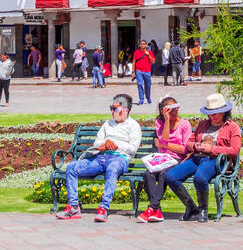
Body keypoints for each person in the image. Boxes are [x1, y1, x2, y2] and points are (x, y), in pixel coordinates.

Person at [55, 94, 142, 222]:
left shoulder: (133, 126)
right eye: (111, 108)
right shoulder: (107, 124)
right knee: (72, 167)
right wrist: (104, 144)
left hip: (120, 159)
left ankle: (104, 208)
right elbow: (97, 143)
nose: (112, 111)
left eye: (115, 108)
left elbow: (133, 149)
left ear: (125, 110)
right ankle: (73, 206)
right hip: (100, 158)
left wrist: (114, 145)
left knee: (112, 168)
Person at [164, 92, 241, 222]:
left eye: (215, 113)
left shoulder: (232, 127)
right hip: (196, 157)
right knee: (171, 176)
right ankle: (190, 206)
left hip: (216, 160)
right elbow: (188, 143)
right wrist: (196, 146)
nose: (212, 116)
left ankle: (203, 209)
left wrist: (211, 148)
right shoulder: (203, 124)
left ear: (224, 112)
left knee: (200, 178)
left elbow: (234, 150)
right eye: (210, 113)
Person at [139, 96, 192, 222]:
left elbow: (185, 150)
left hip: (177, 159)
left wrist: (165, 146)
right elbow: (164, 139)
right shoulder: (160, 122)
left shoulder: (185, 125)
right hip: (162, 158)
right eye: (170, 109)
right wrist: (167, 120)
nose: (174, 111)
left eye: (175, 108)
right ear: (164, 111)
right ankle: (156, 211)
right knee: (148, 174)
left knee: (164, 174)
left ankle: (152, 208)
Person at [133, 41, 154, 105]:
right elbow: (134, 62)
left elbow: (153, 61)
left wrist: (148, 55)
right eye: (141, 44)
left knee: (148, 85)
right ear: (139, 45)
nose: (142, 45)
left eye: (143, 44)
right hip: (138, 71)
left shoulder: (149, 52)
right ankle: (141, 99)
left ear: (146, 45)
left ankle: (148, 97)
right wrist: (133, 72)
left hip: (147, 71)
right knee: (139, 84)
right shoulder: (136, 52)